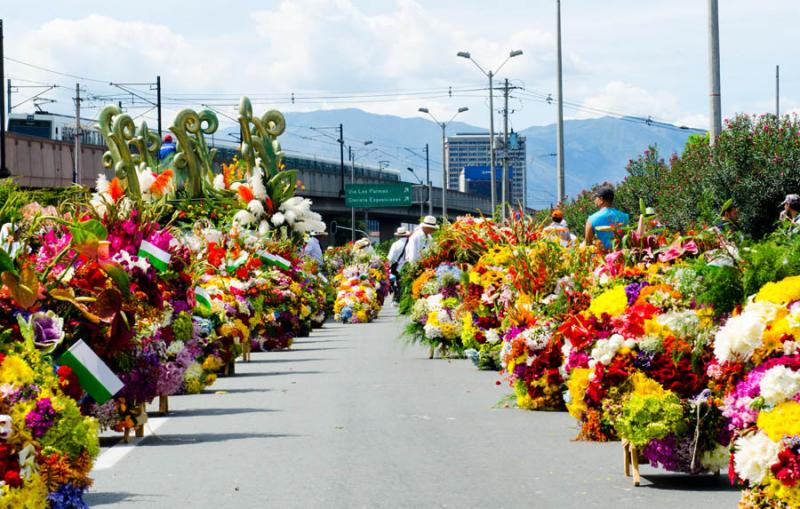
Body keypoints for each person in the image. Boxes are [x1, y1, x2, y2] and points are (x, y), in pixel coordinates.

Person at [584, 186, 629, 250]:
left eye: (596, 198)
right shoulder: (625, 217)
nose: (594, 200)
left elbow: (588, 244)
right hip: (621, 256)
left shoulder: (592, 219)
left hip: (601, 257)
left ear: (601, 199)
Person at [387, 226, 411, 302]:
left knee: (399, 282)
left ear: (398, 236)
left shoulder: (395, 244)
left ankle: (399, 297)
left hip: (398, 268)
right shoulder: (411, 243)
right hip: (409, 267)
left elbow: (390, 258)